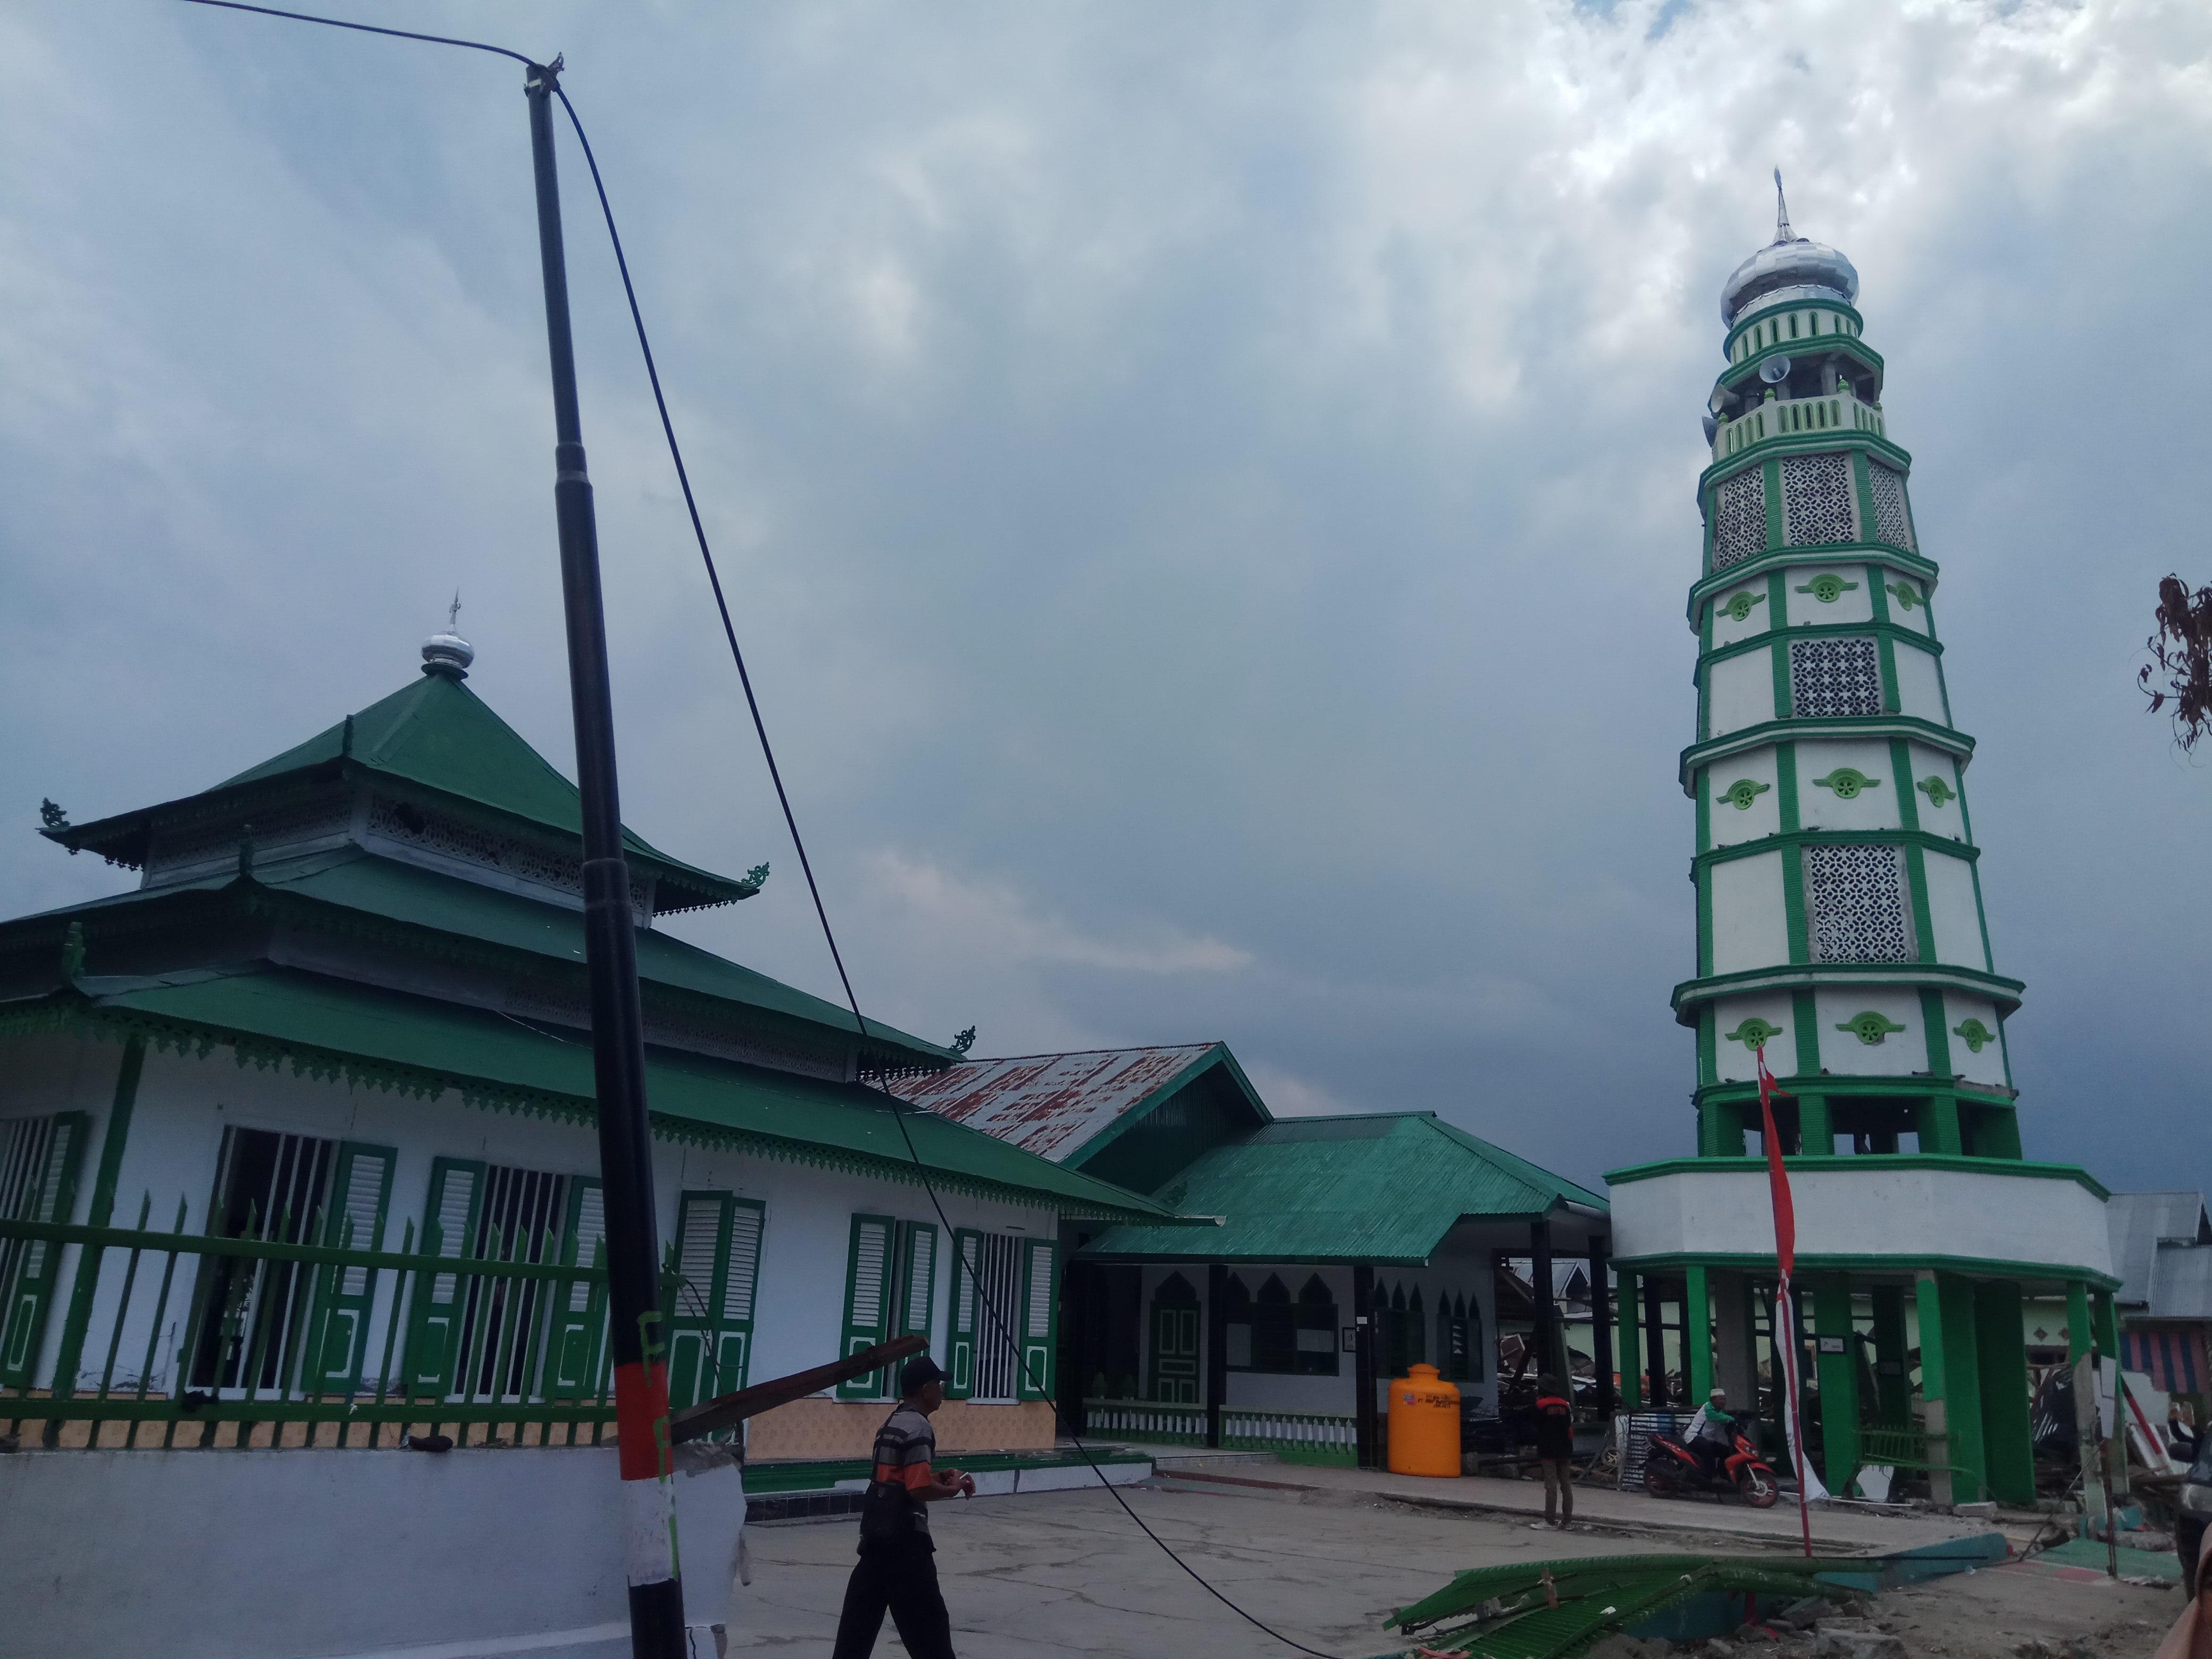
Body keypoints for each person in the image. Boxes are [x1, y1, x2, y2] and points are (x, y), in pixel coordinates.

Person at [831, 1357, 977, 1659]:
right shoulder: (920, 1427)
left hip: (875, 1539)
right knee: (931, 1634)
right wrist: (952, 1489)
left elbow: (895, 1478)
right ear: (925, 1390)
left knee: (855, 1635)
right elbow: (917, 1488)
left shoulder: (892, 1422)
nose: (942, 1391)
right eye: (939, 1384)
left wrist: (938, 1476)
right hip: (906, 1545)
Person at [1532, 1374, 1576, 1528]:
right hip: (1565, 1449)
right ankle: (1567, 1521)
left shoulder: (1541, 1405)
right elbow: (1569, 1428)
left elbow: (1536, 1427)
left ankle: (1549, 1521)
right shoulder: (1565, 1405)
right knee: (1566, 1486)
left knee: (1551, 1486)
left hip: (1548, 1449)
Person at [1692, 1387, 1736, 1480]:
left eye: (1724, 1399)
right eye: (1721, 1399)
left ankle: (1722, 1473)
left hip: (1707, 1438)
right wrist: (1734, 1419)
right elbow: (1717, 1417)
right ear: (1713, 1400)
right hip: (1695, 1436)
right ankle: (1708, 1476)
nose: (1723, 1402)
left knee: (1727, 1451)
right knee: (1708, 1451)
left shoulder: (1720, 1410)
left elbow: (1724, 1418)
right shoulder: (1708, 1408)